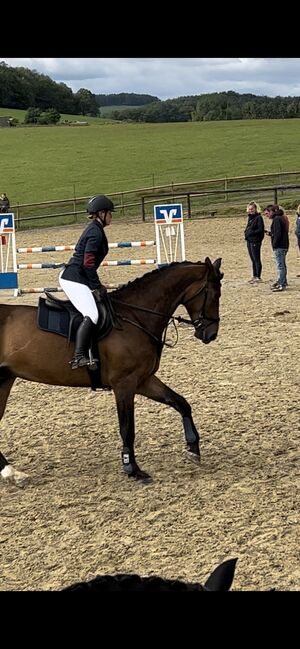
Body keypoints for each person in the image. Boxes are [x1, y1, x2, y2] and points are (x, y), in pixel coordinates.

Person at [59, 194, 115, 369]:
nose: (111, 216)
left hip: (79, 277)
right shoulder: (95, 232)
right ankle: (79, 356)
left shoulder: (95, 229)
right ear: (101, 213)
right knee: (92, 314)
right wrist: (96, 286)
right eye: (109, 213)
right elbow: (88, 262)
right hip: (74, 278)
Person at [263, 204, 289, 292]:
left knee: (280, 266)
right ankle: (283, 281)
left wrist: (274, 244)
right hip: (283, 245)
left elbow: (278, 234)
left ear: (271, 212)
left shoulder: (277, 219)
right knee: (282, 265)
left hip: (280, 246)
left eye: (267, 213)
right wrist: (270, 234)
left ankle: (281, 283)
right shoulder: (280, 218)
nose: (266, 216)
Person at [244, 201, 264, 283]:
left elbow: (260, 229)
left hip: (255, 241)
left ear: (256, 209)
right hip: (249, 240)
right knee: (252, 259)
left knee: (256, 259)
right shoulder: (250, 218)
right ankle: (254, 275)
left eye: (252, 209)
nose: (250, 210)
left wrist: (251, 232)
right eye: (249, 209)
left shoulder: (258, 218)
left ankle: (258, 276)